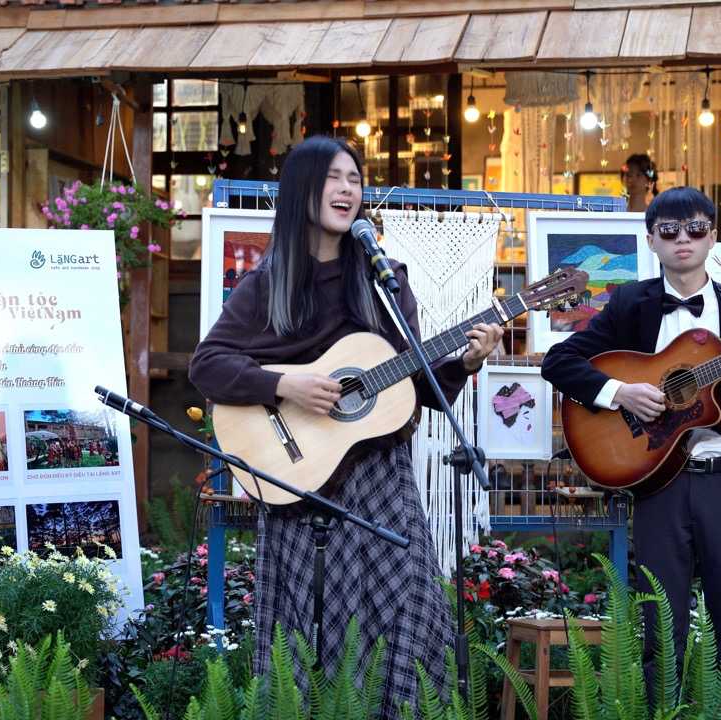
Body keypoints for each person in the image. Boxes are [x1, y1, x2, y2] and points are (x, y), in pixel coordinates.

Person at [188, 135, 502, 716]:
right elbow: (207, 365)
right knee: (309, 634)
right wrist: (287, 386)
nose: (347, 189)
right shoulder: (270, 284)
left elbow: (416, 386)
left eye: (355, 179)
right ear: (302, 189)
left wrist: (465, 361)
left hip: (382, 482)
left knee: (409, 615)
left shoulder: (385, 280)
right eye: (333, 177)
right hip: (299, 484)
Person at [540, 186, 721, 678]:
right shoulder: (631, 304)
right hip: (659, 483)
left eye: (696, 229)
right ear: (651, 240)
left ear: (713, 237)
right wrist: (619, 392)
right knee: (660, 626)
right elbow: (558, 361)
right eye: (669, 231)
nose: (683, 240)